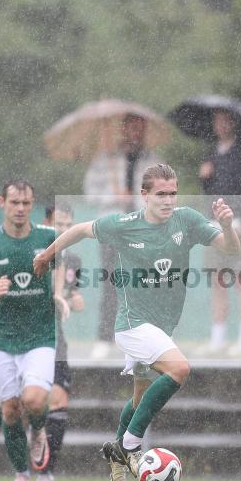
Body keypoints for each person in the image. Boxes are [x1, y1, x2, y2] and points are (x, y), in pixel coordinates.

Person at [34, 164, 240, 481]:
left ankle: (116, 461)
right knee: (180, 369)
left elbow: (231, 249)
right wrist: (47, 255)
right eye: (161, 194)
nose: (168, 200)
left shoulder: (187, 220)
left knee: (139, 397)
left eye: (173, 193)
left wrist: (227, 226)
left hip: (161, 327)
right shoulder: (124, 224)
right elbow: (79, 231)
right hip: (131, 325)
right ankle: (130, 445)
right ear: (144, 195)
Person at [0, 203, 84, 481]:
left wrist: (71, 300)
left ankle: (46, 472)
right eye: (59, 225)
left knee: (53, 400)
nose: (64, 230)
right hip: (21, 336)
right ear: (48, 224)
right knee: (23, 405)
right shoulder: (36, 249)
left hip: (53, 338)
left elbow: (76, 296)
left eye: (69, 225)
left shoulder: (71, 259)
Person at [84, 113, 162, 360]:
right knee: (111, 282)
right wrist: (114, 198)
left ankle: (143, 338)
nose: (136, 133)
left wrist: (139, 200)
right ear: (124, 129)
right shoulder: (105, 160)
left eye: (141, 129)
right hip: (113, 226)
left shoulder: (154, 162)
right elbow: (90, 192)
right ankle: (105, 338)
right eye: (132, 128)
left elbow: (162, 194)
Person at [198, 109, 241, 356]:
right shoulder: (212, 154)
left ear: (233, 124)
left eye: (225, 121)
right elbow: (211, 192)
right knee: (218, 281)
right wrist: (205, 179)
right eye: (217, 121)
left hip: (239, 226)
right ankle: (218, 338)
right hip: (215, 227)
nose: (221, 125)